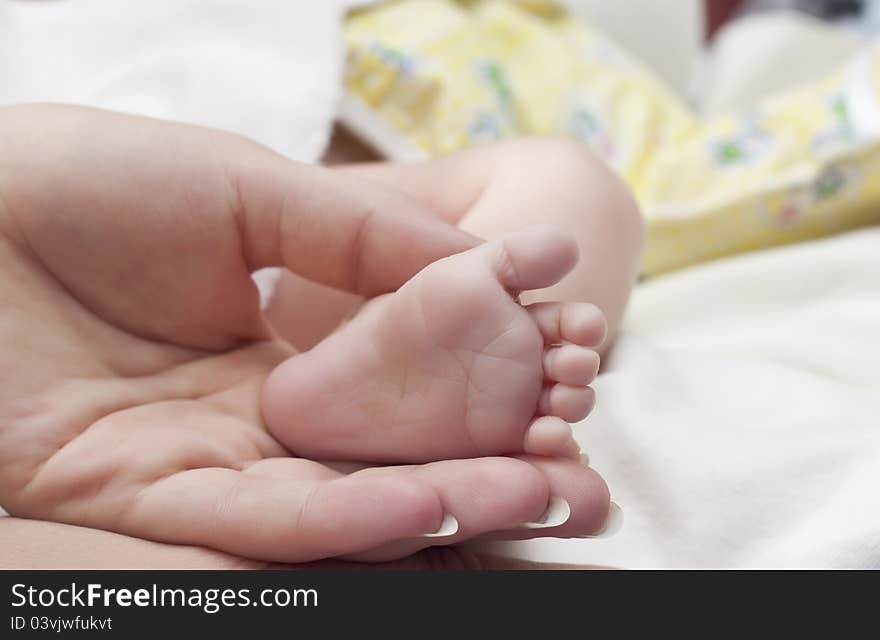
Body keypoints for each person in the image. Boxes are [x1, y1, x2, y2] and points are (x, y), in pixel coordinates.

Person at [0, 103, 639, 566]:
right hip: (170, 265)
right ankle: (377, 363)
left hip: (177, 252)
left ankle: (382, 343)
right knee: (559, 182)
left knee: (556, 189)